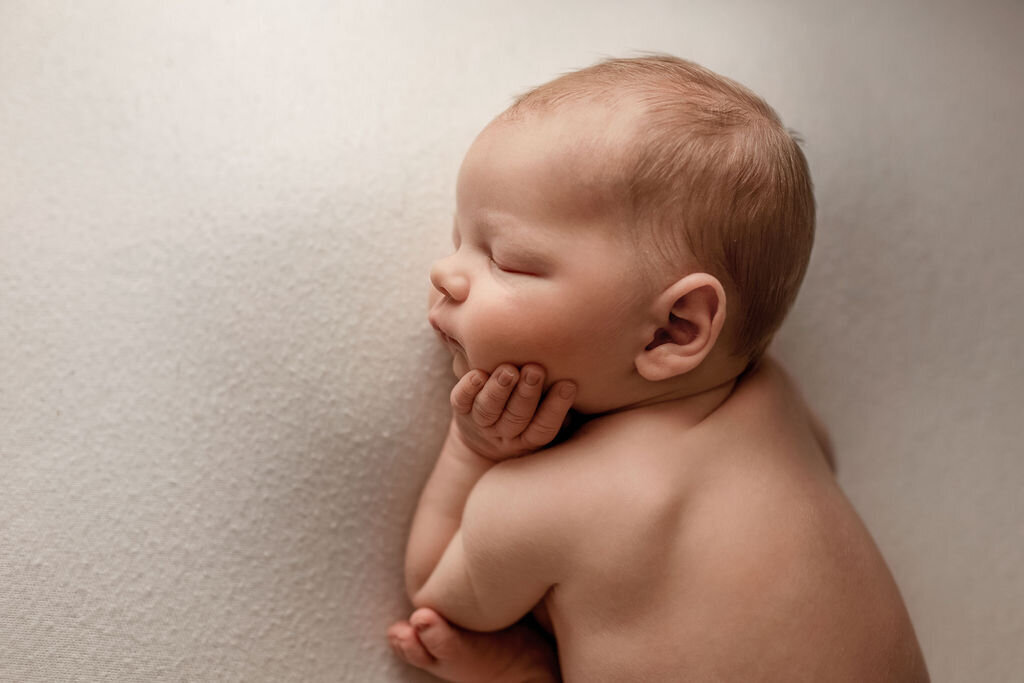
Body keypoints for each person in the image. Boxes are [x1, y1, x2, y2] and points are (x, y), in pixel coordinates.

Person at [388, 55, 929, 681]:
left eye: (506, 261)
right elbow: (825, 458)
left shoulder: (546, 502)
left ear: (675, 328)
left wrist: (473, 448)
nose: (446, 274)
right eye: (460, 241)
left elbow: (433, 591)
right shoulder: (776, 398)